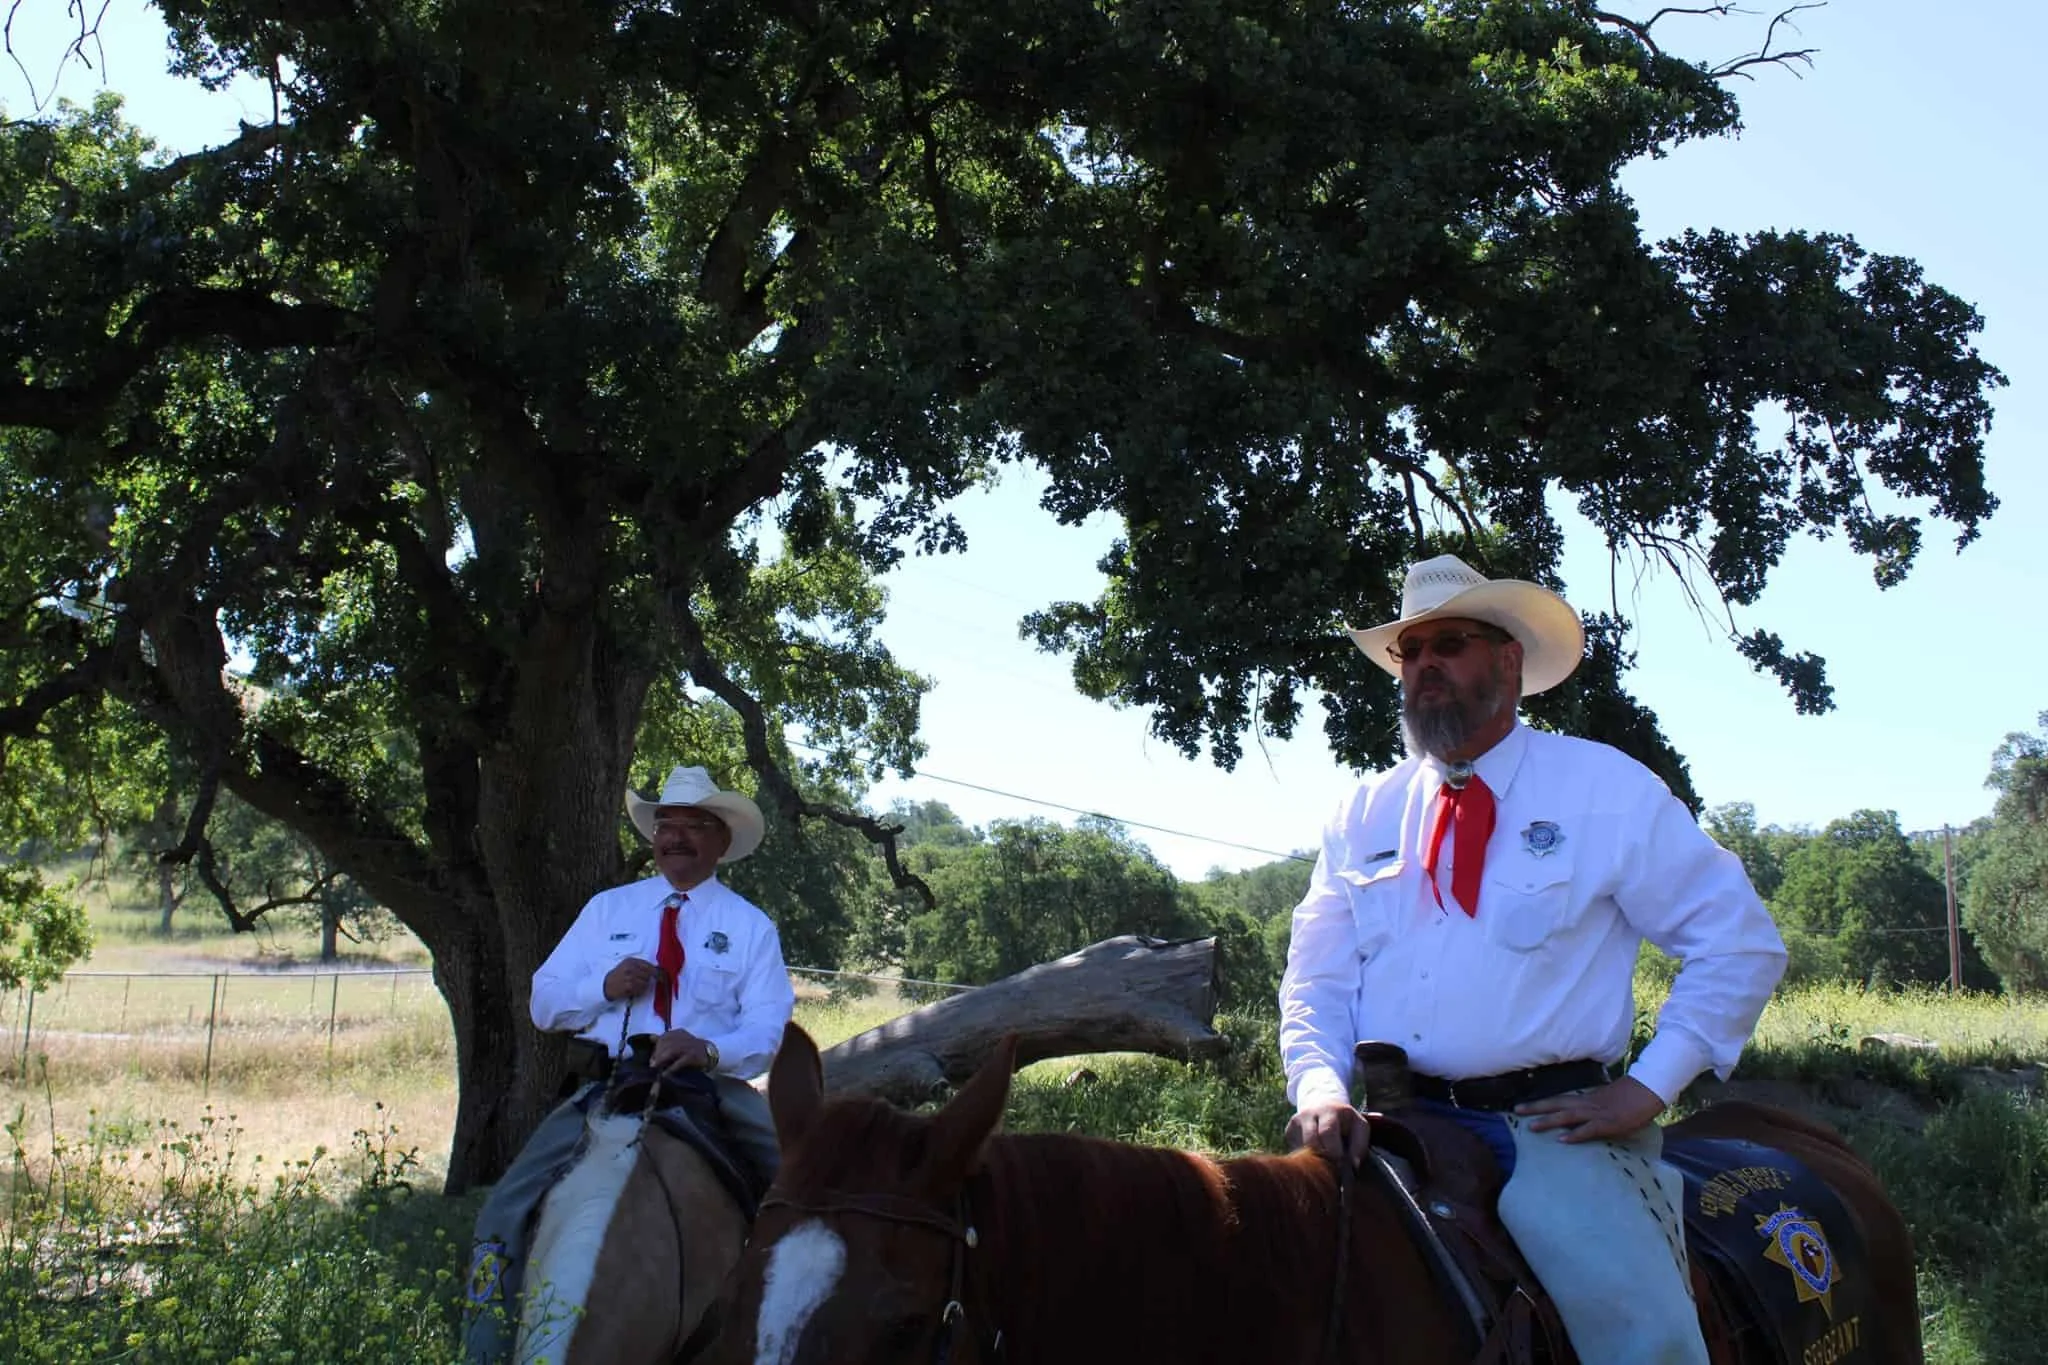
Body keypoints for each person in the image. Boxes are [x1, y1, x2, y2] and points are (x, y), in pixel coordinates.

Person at [1279, 554, 1787, 1365]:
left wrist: (1647, 1087)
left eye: (1451, 643)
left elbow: (1739, 942)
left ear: (1509, 661)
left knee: (1647, 1343)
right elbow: (1318, 976)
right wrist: (1319, 1089)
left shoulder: (1604, 789)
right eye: (1412, 650)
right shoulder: (1362, 811)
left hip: (1551, 1130)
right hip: (1392, 1124)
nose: (1426, 664)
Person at [462, 763, 797, 1364]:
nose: (675, 837)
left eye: (693, 825)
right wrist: (603, 986)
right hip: (609, 1083)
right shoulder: (608, 911)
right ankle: (483, 1353)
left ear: (721, 841)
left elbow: (767, 1030)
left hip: (709, 1087)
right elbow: (544, 1002)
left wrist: (709, 1048)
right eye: (665, 825)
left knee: (801, 1203)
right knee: (501, 1214)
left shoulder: (750, 928)